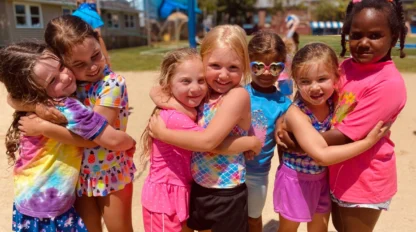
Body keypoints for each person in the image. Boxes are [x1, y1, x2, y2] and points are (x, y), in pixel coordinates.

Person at [8, 15, 136, 231]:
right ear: (62, 62)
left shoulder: (111, 83)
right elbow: (12, 98)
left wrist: (43, 127)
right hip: (77, 176)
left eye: (96, 55)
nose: (92, 67)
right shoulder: (65, 84)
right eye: (78, 64)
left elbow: (94, 137)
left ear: (98, 40)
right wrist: (38, 107)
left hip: (110, 171)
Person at [141, 47, 261, 232]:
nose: (195, 88)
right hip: (166, 197)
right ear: (168, 84)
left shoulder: (194, 106)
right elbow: (209, 143)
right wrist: (251, 142)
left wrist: (182, 108)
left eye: (201, 80)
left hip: (183, 190)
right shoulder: (174, 120)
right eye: (186, 81)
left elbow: (157, 90)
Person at [328, 0, 407, 231]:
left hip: (364, 180)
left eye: (374, 35)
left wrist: (299, 140)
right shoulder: (345, 68)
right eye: (356, 35)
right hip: (337, 171)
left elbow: (345, 135)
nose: (363, 43)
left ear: (393, 37)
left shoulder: (388, 83)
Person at [244, 31, 291, 232]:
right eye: (258, 66)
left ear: (282, 67)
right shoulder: (238, 94)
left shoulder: (284, 104)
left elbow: (283, 145)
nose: (266, 73)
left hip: (258, 173)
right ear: (249, 63)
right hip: (229, 169)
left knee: (253, 218)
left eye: (274, 67)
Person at [73, 0, 111, 67]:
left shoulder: (73, 16)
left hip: (78, 55)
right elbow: (98, 37)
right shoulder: (93, 14)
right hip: (93, 54)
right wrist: (107, 58)